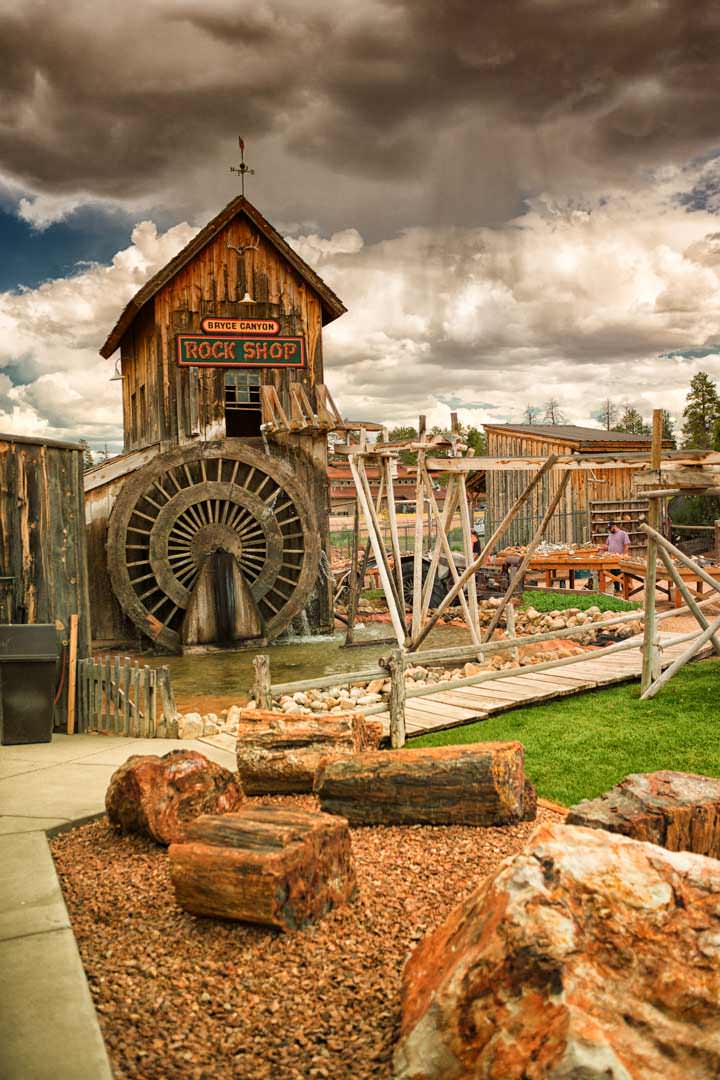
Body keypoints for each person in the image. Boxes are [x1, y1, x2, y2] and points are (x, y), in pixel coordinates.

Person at [601, 520, 631, 592]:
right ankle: (616, 589)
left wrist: (624, 555)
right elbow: (607, 546)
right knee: (613, 573)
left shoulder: (623, 534)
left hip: (620, 558)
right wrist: (601, 548)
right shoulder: (610, 535)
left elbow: (626, 545)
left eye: (610, 528)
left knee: (621, 574)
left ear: (614, 526)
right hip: (611, 558)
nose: (609, 530)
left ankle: (625, 589)